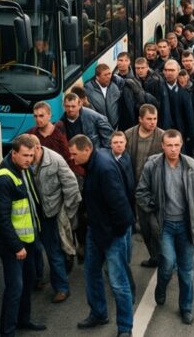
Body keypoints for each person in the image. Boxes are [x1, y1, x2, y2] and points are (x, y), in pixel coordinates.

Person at [135, 130, 194, 326]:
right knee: (167, 264)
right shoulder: (153, 165)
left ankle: (186, 308)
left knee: (186, 270)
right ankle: (161, 287)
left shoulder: (192, 166)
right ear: (162, 146)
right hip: (164, 225)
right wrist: (153, 208)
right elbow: (141, 192)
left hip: (186, 226)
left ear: (181, 144)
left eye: (176, 145)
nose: (173, 149)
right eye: (169, 145)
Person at [70, 135, 135, 337]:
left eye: (74, 154)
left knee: (118, 282)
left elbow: (120, 205)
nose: (71, 158)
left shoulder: (104, 169)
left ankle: (125, 328)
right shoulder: (93, 164)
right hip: (96, 230)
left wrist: (115, 235)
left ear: (86, 150)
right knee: (91, 274)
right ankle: (99, 313)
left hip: (111, 234)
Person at [0, 135, 47, 335]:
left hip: (29, 240)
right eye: (24, 155)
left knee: (28, 282)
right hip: (14, 245)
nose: (28, 159)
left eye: (31, 155)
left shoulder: (24, 169)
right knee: (15, 287)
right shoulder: (4, 178)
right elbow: (1, 219)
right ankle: (7, 330)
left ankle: (24, 320)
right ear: (13, 153)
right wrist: (17, 246)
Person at [29, 129, 82, 303]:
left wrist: (67, 212)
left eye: (31, 154)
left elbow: (72, 187)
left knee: (54, 252)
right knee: (34, 250)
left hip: (51, 213)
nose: (28, 159)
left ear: (38, 147)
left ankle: (61, 288)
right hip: (31, 214)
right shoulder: (23, 161)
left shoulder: (55, 160)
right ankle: (36, 279)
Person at [125, 104, 164, 267]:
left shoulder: (162, 136)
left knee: (157, 229)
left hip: (155, 192)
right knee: (145, 231)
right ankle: (154, 257)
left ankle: (166, 259)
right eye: (149, 119)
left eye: (155, 119)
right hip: (136, 191)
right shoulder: (129, 135)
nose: (152, 122)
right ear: (140, 119)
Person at [84, 63, 122, 128]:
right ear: (97, 77)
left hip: (115, 127)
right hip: (99, 128)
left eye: (109, 74)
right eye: (105, 75)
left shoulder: (114, 87)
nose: (108, 77)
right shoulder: (89, 90)